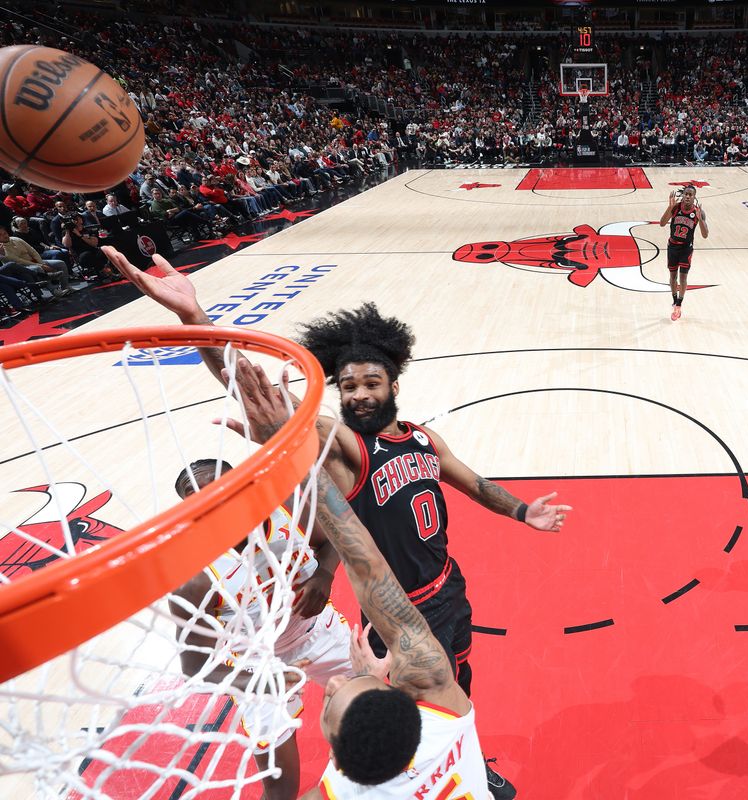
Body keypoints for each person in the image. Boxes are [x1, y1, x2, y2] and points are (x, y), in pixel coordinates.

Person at [101, 246, 574, 799]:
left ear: (393, 384)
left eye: (370, 384)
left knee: (457, 687)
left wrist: (522, 511)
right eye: (347, 387)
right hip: (396, 606)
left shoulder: (423, 438)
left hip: (448, 587)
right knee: (395, 720)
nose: (359, 395)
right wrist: (195, 320)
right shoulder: (344, 446)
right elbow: (260, 395)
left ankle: (467, 755)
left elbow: (473, 483)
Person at [222, 358, 491, 799]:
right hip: (395, 609)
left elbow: (352, 549)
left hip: (391, 608)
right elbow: (363, 552)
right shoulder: (448, 712)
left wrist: (199, 328)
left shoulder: (336, 792)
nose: (331, 684)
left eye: (330, 701)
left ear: (335, 762)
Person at [170, 458, 352, 800]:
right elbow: (195, 668)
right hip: (254, 663)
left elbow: (333, 540)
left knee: (376, 712)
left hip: (315, 632)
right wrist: (261, 681)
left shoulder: (286, 509)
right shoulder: (192, 580)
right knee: (280, 785)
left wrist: (324, 575)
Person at [659, 185, 709, 321]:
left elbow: (705, 235)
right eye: (686, 194)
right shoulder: (675, 207)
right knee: (672, 276)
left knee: (683, 278)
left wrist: (701, 220)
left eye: (690, 195)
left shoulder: (699, 212)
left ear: (694, 197)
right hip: (673, 247)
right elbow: (662, 223)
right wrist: (669, 208)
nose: (687, 196)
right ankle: (674, 299)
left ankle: (679, 305)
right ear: (683, 195)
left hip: (686, 248)